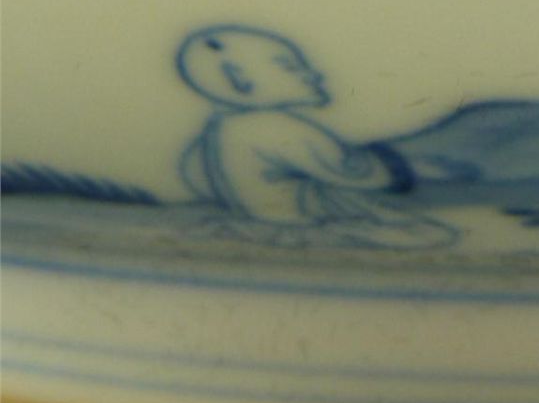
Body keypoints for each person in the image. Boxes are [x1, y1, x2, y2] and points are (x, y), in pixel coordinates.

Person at [175, 25, 458, 247]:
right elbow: (354, 171)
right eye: (290, 66)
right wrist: (403, 168)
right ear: (240, 80)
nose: (313, 75)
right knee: (426, 234)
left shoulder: (221, 128)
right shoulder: (277, 127)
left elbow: (193, 173)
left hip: (254, 216)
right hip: (295, 223)